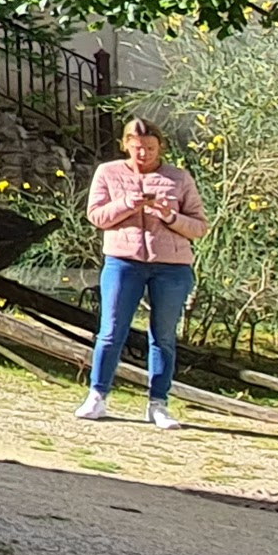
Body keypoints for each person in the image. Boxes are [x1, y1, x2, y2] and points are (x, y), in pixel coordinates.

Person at [80, 117, 205, 427]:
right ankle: (97, 395)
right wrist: (127, 204)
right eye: (137, 148)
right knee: (111, 331)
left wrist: (170, 216)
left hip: (172, 266)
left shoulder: (179, 178)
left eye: (150, 148)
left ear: (160, 147)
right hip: (124, 261)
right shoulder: (108, 173)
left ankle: (158, 404)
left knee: (163, 336)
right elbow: (97, 216)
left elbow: (199, 227)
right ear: (125, 145)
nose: (144, 154)